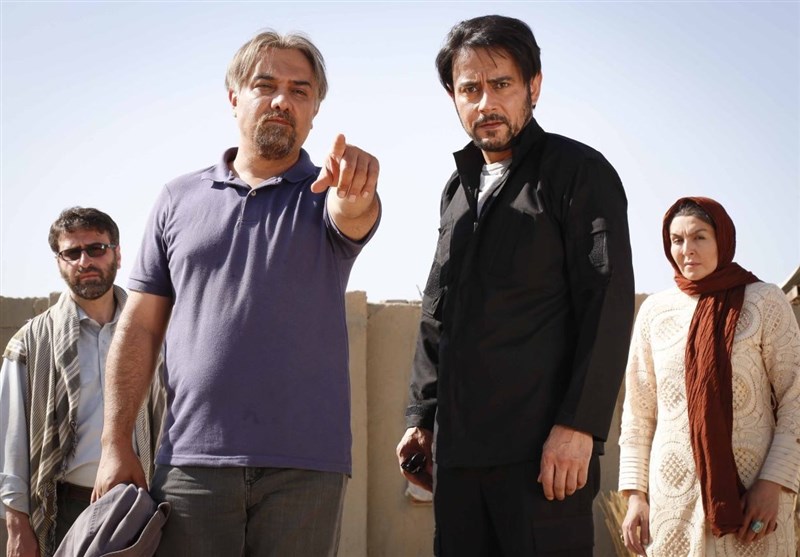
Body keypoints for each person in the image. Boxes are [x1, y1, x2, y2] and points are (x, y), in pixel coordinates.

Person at [92, 30, 381, 557]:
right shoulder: (177, 199)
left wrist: (357, 191)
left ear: (315, 109)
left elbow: (354, 213)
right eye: (265, 85)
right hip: (191, 462)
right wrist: (115, 443)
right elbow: (139, 327)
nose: (282, 100)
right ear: (234, 97)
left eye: (300, 90)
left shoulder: (327, 194)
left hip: (305, 468)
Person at [396, 14, 635, 556]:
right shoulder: (456, 191)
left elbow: (607, 302)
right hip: (458, 460)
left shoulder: (579, 172)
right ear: (453, 97)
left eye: (501, 84)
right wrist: (421, 419)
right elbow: (437, 312)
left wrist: (579, 426)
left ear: (534, 86)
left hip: (544, 457)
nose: (486, 103)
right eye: (470, 89)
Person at [619, 196, 800, 556]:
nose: (687, 249)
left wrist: (773, 483)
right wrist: (635, 495)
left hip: (753, 498)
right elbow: (639, 412)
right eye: (677, 240)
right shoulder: (655, 312)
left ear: (723, 239)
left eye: (699, 237)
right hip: (672, 502)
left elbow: (795, 398)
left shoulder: (764, 301)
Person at [0, 207, 163, 557]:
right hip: (68, 509)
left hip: (148, 500)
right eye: (72, 253)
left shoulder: (156, 334)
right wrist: (16, 524)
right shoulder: (31, 343)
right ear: (59, 262)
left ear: (118, 254)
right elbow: (10, 442)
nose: (84, 261)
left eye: (96, 249)